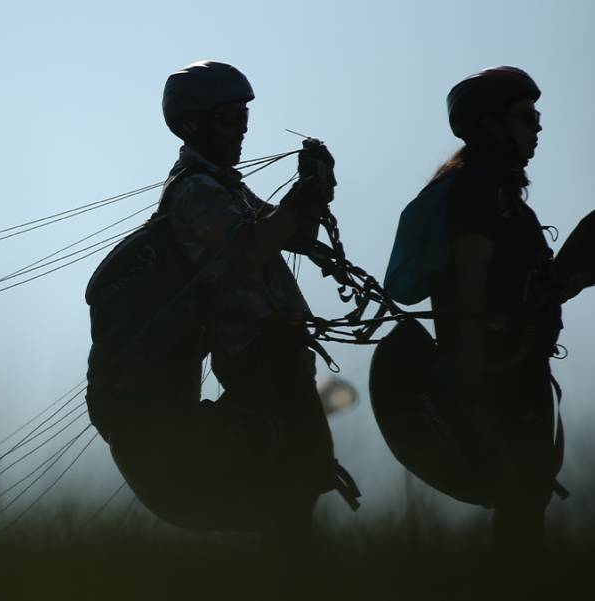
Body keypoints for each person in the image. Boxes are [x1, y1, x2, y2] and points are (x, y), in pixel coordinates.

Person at [85, 60, 357, 543]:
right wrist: (299, 201)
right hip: (254, 354)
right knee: (292, 483)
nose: (242, 131)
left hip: (277, 349)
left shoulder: (222, 184)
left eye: (244, 119)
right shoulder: (194, 188)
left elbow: (291, 233)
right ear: (195, 123)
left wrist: (313, 194)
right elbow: (251, 247)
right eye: (230, 119)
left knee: (302, 481)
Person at [380, 66, 591, 548]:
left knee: (525, 501)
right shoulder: (477, 189)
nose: (537, 126)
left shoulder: (505, 198)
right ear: (491, 125)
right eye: (526, 116)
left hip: (519, 363)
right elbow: (472, 265)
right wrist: (470, 355)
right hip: (496, 368)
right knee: (520, 502)